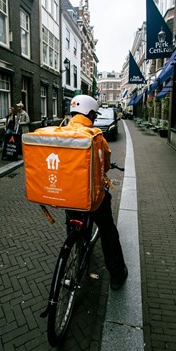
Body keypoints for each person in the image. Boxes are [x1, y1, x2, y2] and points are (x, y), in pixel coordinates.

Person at [66, 94, 128, 290]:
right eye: (94, 114)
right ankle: (117, 273)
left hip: (68, 194)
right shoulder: (95, 136)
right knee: (108, 231)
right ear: (90, 113)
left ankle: (78, 247)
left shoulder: (60, 132)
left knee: (73, 223)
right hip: (92, 197)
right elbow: (106, 164)